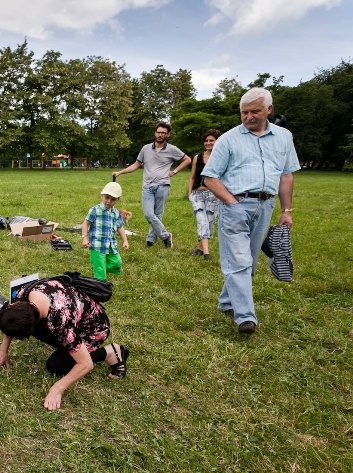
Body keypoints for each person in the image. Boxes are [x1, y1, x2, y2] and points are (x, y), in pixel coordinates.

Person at [201, 88, 300, 335]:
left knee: (249, 262)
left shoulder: (284, 137)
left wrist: (286, 210)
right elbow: (209, 178)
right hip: (235, 205)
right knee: (239, 260)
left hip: (265, 205)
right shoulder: (228, 139)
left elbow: (286, 175)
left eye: (255, 111)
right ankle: (245, 316)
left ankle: (226, 302)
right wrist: (231, 203)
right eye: (244, 112)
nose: (248, 117)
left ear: (269, 109)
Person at [0, 278, 129, 411]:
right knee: (57, 341)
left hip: (94, 328)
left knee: (56, 365)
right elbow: (14, 320)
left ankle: (111, 352)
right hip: (75, 313)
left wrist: (57, 389)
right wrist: (3, 351)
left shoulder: (60, 323)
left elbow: (86, 364)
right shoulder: (23, 294)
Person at [112, 122, 191, 248]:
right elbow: (136, 165)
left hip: (163, 185)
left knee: (157, 214)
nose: (160, 135)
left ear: (167, 135)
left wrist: (175, 171)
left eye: (163, 133)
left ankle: (150, 239)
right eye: (158, 132)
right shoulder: (146, 148)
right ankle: (166, 236)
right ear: (155, 133)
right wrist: (120, 172)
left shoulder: (172, 149)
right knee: (149, 214)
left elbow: (187, 159)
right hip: (147, 186)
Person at [81, 181, 129, 281]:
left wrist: (125, 240)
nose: (108, 201)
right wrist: (85, 238)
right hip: (97, 245)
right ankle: (99, 286)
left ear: (117, 200)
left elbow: (120, 227)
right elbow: (85, 224)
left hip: (111, 244)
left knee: (117, 262)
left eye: (113, 199)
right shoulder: (95, 210)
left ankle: (101, 268)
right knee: (100, 275)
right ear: (102, 196)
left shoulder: (116, 212)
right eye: (106, 198)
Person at [187, 129, 222, 260]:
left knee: (210, 221)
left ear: (217, 142)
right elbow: (192, 177)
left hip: (214, 194)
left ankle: (200, 247)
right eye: (206, 141)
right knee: (202, 220)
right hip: (197, 193)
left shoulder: (222, 157)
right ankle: (207, 253)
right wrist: (189, 193)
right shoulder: (198, 157)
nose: (208, 143)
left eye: (211, 140)